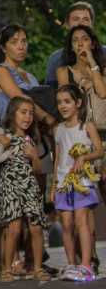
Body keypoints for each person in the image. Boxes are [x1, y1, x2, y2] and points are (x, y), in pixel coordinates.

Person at [0, 97, 49, 282]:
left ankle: (36, 267)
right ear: (12, 114)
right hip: (11, 187)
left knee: (35, 228)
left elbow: (37, 170)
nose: (28, 117)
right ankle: (6, 268)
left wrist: (34, 157)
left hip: (29, 187)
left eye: (31, 113)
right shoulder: (5, 137)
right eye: (23, 112)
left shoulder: (30, 141)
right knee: (13, 229)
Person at [52, 85, 103, 282]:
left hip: (83, 182)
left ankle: (86, 265)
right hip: (64, 182)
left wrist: (84, 158)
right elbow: (57, 158)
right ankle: (71, 264)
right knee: (66, 224)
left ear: (78, 103)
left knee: (82, 222)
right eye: (59, 102)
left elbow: (99, 150)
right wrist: (54, 185)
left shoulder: (86, 126)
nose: (63, 106)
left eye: (67, 101)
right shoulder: (58, 129)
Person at [0, 25, 54, 127]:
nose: (21, 47)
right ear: (4, 48)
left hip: (34, 132)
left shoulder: (31, 77)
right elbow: (22, 101)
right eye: (14, 42)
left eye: (24, 41)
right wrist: (49, 120)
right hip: (12, 133)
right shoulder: (2, 71)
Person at [56, 24, 106, 130]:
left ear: (92, 45)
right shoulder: (63, 71)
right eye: (75, 40)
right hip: (78, 130)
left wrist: (92, 62)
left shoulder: (103, 70)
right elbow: (65, 103)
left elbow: (102, 93)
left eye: (85, 39)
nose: (80, 44)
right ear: (72, 48)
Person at [46, 1, 100, 88]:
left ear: (92, 24)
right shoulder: (56, 59)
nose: (81, 23)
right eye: (76, 19)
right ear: (67, 25)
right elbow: (52, 93)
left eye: (85, 19)